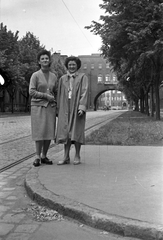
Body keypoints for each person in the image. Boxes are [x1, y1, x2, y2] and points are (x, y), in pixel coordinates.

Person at [56, 56, 89, 165]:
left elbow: (84, 92)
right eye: (70, 64)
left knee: (76, 131)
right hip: (65, 106)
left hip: (76, 106)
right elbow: (59, 95)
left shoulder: (83, 77)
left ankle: (77, 155)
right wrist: (58, 109)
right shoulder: (62, 79)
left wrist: (82, 107)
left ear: (77, 66)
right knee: (66, 132)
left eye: (73, 64)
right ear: (67, 66)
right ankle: (65, 156)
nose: (71, 66)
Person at [29, 49, 57, 167]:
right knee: (39, 132)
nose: (45, 60)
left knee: (49, 132)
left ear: (49, 60)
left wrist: (56, 102)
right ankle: (37, 157)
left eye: (46, 58)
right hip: (37, 107)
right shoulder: (35, 75)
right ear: (39, 62)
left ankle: (44, 155)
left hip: (50, 107)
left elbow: (56, 92)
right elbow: (31, 91)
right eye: (42, 59)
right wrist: (46, 96)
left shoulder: (54, 76)